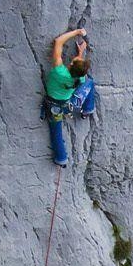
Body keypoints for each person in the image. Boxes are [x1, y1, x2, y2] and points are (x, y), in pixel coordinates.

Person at [42, 28, 92, 165]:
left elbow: (58, 42)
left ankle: (62, 158)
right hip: (69, 105)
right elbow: (80, 73)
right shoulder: (80, 79)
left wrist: (76, 32)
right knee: (90, 83)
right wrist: (80, 53)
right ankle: (87, 109)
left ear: (70, 65)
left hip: (54, 107)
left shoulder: (60, 72)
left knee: (56, 132)